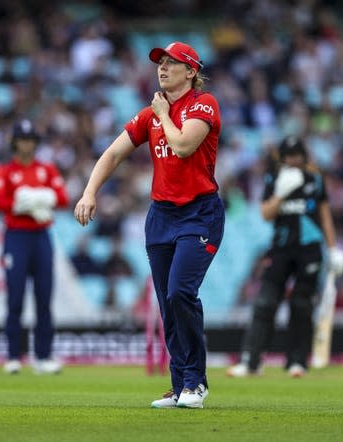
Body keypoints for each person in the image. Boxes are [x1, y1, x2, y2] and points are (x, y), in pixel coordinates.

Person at [74, 41, 224, 409]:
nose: (162, 68)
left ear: (191, 72)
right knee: (166, 304)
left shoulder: (204, 104)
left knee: (179, 294)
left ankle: (196, 383)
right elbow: (112, 153)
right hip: (161, 216)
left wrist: (163, 114)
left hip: (199, 213)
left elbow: (184, 146)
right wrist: (89, 192)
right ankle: (180, 387)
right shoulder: (149, 114)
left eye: (173, 63)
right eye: (160, 63)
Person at [226, 136, 343, 378]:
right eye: (288, 156)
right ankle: (251, 361)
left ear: (303, 156)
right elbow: (265, 214)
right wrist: (281, 193)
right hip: (281, 248)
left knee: (301, 305)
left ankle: (297, 362)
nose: (293, 160)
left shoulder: (315, 180)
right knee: (265, 303)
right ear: (282, 158)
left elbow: (324, 215)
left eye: (296, 155)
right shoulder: (274, 179)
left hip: (310, 249)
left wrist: (332, 248)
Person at [0, 118, 69, 375]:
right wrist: (31, 201)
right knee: (15, 297)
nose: (27, 144)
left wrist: (32, 198)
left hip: (41, 237)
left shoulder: (46, 169)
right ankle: (14, 356)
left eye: (30, 139)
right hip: (16, 236)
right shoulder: (5, 171)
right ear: (15, 142)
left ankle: (43, 357)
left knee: (44, 298)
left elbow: (62, 198)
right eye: (22, 139)